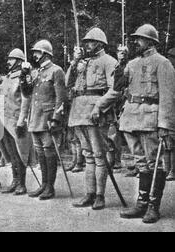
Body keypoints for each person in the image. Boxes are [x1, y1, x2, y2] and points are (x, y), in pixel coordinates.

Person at [118, 24, 175, 223]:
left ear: (150, 42)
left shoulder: (163, 63)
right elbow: (117, 86)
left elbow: (168, 97)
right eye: (135, 38)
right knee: (141, 162)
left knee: (153, 162)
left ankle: (153, 206)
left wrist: (165, 125)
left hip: (151, 118)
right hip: (131, 118)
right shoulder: (131, 64)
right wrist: (121, 62)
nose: (135, 41)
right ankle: (141, 204)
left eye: (139, 38)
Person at [66, 28, 119, 210]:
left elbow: (115, 89)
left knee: (98, 154)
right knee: (87, 154)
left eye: (90, 41)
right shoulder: (82, 63)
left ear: (99, 43)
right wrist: (74, 62)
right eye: (86, 42)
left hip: (96, 112)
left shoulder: (109, 61)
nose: (86, 44)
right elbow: (68, 83)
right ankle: (89, 193)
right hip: (79, 110)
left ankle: (100, 195)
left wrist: (99, 106)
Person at [22, 41, 67, 200]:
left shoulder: (56, 71)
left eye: (37, 52)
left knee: (49, 151)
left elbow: (61, 98)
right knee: (40, 151)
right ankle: (43, 184)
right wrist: (25, 75)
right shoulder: (34, 72)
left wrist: (56, 119)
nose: (34, 55)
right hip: (35, 118)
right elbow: (27, 93)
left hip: (48, 118)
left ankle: (50, 187)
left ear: (46, 54)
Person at [0, 49, 33, 195]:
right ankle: (15, 180)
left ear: (19, 61)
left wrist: (22, 120)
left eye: (11, 59)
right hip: (4, 120)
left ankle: (22, 183)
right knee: (11, 153)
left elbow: (27, 98)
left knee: (20, 153)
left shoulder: (24, 76)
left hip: (16, 119)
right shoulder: (7, 77)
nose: (8, 61)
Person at [165, 48, 175, 181]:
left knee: (172, 143)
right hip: (168, 110)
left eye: (172, 57)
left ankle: (172, 170)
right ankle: (167, 169)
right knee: (167, 142)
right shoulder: (167, 72)